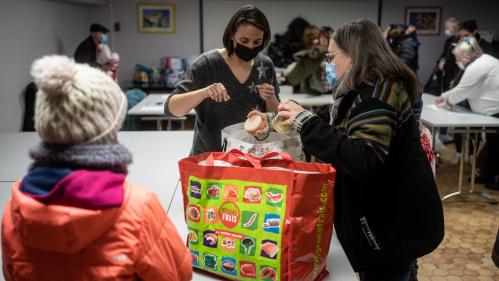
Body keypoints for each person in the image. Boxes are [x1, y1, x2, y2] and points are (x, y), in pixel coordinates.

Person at [250, 20, 444, 281]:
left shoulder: (379, 93)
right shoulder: (366, 88)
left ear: (353, 55)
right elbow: (341, 126)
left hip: (392, 223)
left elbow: (363, 159)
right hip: (391, 217)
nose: (328, 65)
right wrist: (293, 119)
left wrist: (306, 122)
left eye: (331, 57)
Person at [2, 55, 193, 281]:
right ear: (109, 128)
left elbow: (11, 273)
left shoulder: (16, 207)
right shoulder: (139, 208)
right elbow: (178, 274)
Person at [164, 5, 279, 155]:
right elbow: (171, 109)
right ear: (232, 35)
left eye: (257, 42)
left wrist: (271, 99)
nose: (251, 47)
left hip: (253, 158)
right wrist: (204, 92)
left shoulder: (265, 64)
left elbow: (276, 119)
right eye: (244, 40)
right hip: (211, 159)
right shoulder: (207, 64)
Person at [435, 37, 499, 190]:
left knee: (497, 148)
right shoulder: (481, 62)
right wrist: (444, 97)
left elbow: (462, 90)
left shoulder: (478, 65)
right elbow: (464, 89)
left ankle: (495, 178)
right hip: (490, 114)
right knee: (492, 147)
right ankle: (488, 174)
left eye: (458, 58)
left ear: (467, 56)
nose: (458, 62)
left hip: (496, 113)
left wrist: (447, 101)